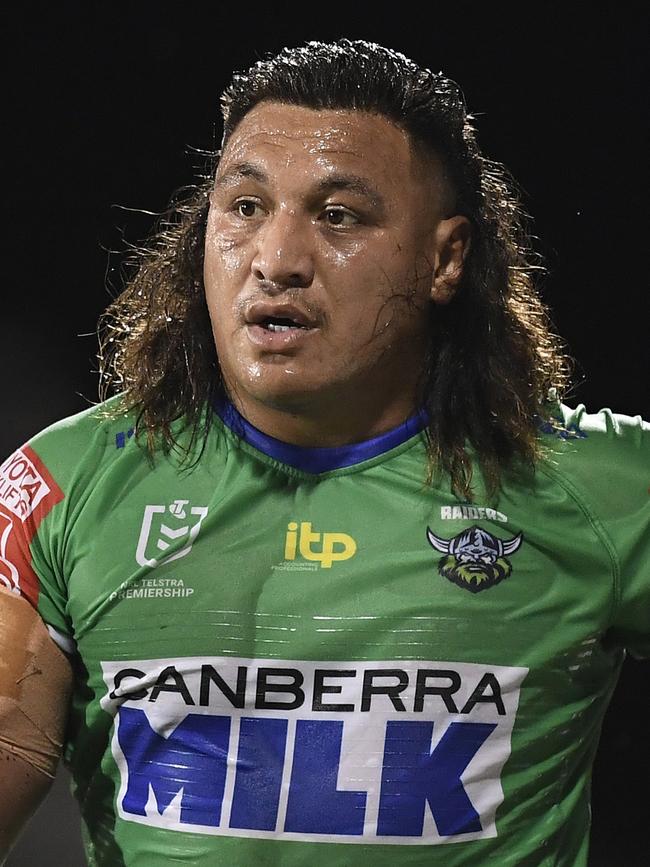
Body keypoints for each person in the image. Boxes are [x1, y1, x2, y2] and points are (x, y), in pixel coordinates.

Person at [0, 38, 647, 866]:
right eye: (244, 207)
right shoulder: (63, 491)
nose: (277, 260)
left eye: (339, 215)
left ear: (446, 258)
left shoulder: (601, 490)